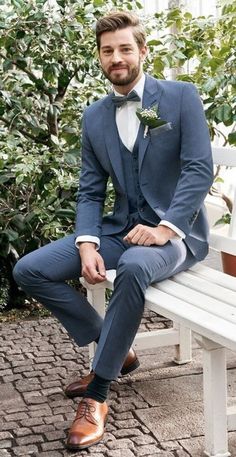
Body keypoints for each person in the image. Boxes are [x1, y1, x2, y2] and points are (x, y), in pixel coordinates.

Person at [13, 10, 214, 451]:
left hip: (175, 237)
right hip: (120, 227)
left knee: (139, 264)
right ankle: (115, 347)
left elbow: (200, 170)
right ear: (100, 58)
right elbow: (90, 190)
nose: (117, 57)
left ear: (143, 51)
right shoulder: (94, 117)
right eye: (108, 51)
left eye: (125, 48)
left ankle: (97, 395)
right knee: (29, 270)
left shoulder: (180, 97)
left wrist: (166, 228)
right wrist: (87, 242)